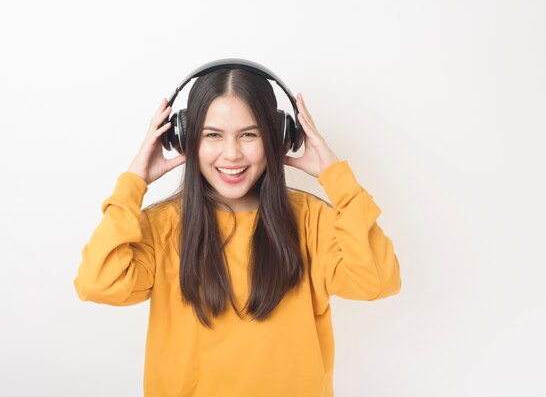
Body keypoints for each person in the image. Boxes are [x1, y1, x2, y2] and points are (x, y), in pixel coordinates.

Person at [73, 60, 402, 397]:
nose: (231, 154)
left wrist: (336, 177)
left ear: (278, 137)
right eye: (212, 135)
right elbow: (99, 284)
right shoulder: (162, 227)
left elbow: (376, 280)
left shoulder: (311, 221)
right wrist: (134, 181)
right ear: (183, 138)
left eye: (249, 134)